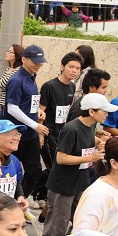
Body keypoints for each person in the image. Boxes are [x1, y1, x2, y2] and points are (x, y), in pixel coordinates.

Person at [32, 93, 114, 236]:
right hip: (63, 184)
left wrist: (98, 141)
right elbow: (61, 158)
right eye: (104, 111)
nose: (107, 115)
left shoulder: (90, 126)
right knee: (58, 223)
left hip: (80, 181)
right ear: (91, 111)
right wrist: (90, 157)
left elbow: (84, 144)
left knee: (81, 218)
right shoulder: (72, 128)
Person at [1, 44, 50, 210]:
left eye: (40, 62)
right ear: (23, 59)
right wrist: (35, 125)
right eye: (34, 61)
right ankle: (5, 203)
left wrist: (37, 113)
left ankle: (19, 200)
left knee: (34, 171)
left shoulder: (32, 77)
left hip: (30, 134)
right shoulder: (16, 80)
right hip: (16, 133)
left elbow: (28, 103)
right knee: (6, 170)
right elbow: (12, 107)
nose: (38, 64)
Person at [38, 52, 82, 182]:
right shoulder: (49, 86)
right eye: (71, 66)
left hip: (62, 134)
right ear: (62, 67)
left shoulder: (72, 86)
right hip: (48, 134)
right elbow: (40, 111)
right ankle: (36, 193)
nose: (74, 71)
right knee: (54, 168)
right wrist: (40, 134)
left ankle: (39, 193)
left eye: (77, 68)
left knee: (56, 169)